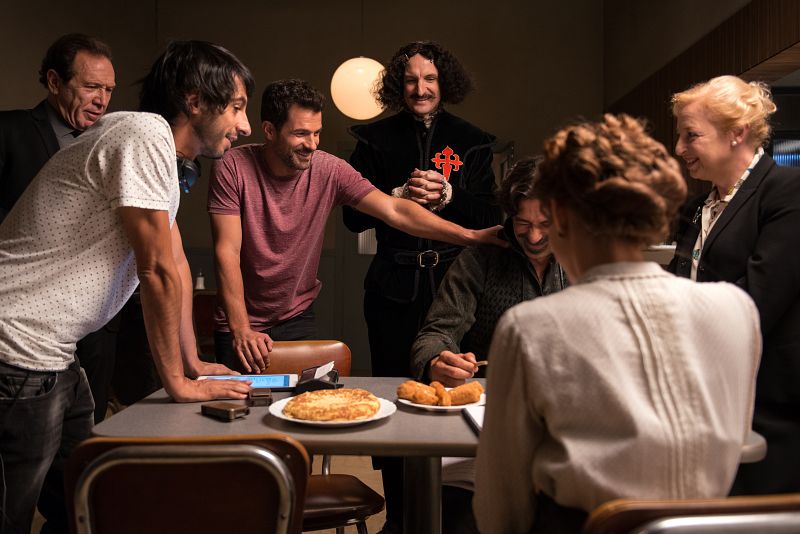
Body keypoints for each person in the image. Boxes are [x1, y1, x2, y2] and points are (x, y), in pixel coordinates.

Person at [0, 40, 254, 534]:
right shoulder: (142, 133)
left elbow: (177, 262)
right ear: (196, 100)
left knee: (91, 502)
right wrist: (177, 384)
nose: (244, 126)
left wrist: (193, 362)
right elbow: (155, 269)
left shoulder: (156, 148)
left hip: (57, 357)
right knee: (12, 515)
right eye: (239, 107)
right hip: (17, 348)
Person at [474, 114, 762, 534]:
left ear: (561, 218)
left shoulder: (530, 327)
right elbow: (733, 443)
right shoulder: (737, 308)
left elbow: (503, 509)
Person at [208, 79, 504, 375]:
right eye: (300, 134)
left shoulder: (329, 169)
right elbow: (227, 251)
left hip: (296, 317)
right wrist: (241, 328)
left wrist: (471, 236)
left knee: (300, 409)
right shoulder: (232, 166)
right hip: (238, 320)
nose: (311, 144)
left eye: (317, 133)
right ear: (270, 131)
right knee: (237, 409)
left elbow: (396, 211)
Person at [342, 41, 500, 532]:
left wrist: (449, 194)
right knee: (393, 400)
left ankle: (450, 515)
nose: (420, 89)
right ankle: (401, 516)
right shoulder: (373, 141)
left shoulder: (470, 141)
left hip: (455, 289)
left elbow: (489, 216)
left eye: (429, 80)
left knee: (454, 395)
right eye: (411, 80)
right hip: (391, 290)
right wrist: (392, 197)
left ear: (443, 84)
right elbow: (349, 216)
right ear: (398, 86)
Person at [410, 157, 566, 534]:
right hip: (489, 421)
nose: (533, 237)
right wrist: (436, 360)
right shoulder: (480, 259)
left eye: (545, 225)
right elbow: (435, 333)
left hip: (564, 423)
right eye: (523, 224)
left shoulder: (585, 260)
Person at [668, 75, 800, 495]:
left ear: (736, 133)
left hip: (768, 404)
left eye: (691, 136)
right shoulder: (697, 206)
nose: (679, 149)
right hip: (704, 396)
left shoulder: (786, 193)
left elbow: (756, 301)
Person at [0, 33, 118, 423]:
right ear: (54, 82)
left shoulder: (112, 144)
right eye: (90, 87)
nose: (101, 99)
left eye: (108, 89)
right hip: (22, 336)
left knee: (83, 454)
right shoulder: (10, 132)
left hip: (93, 337)